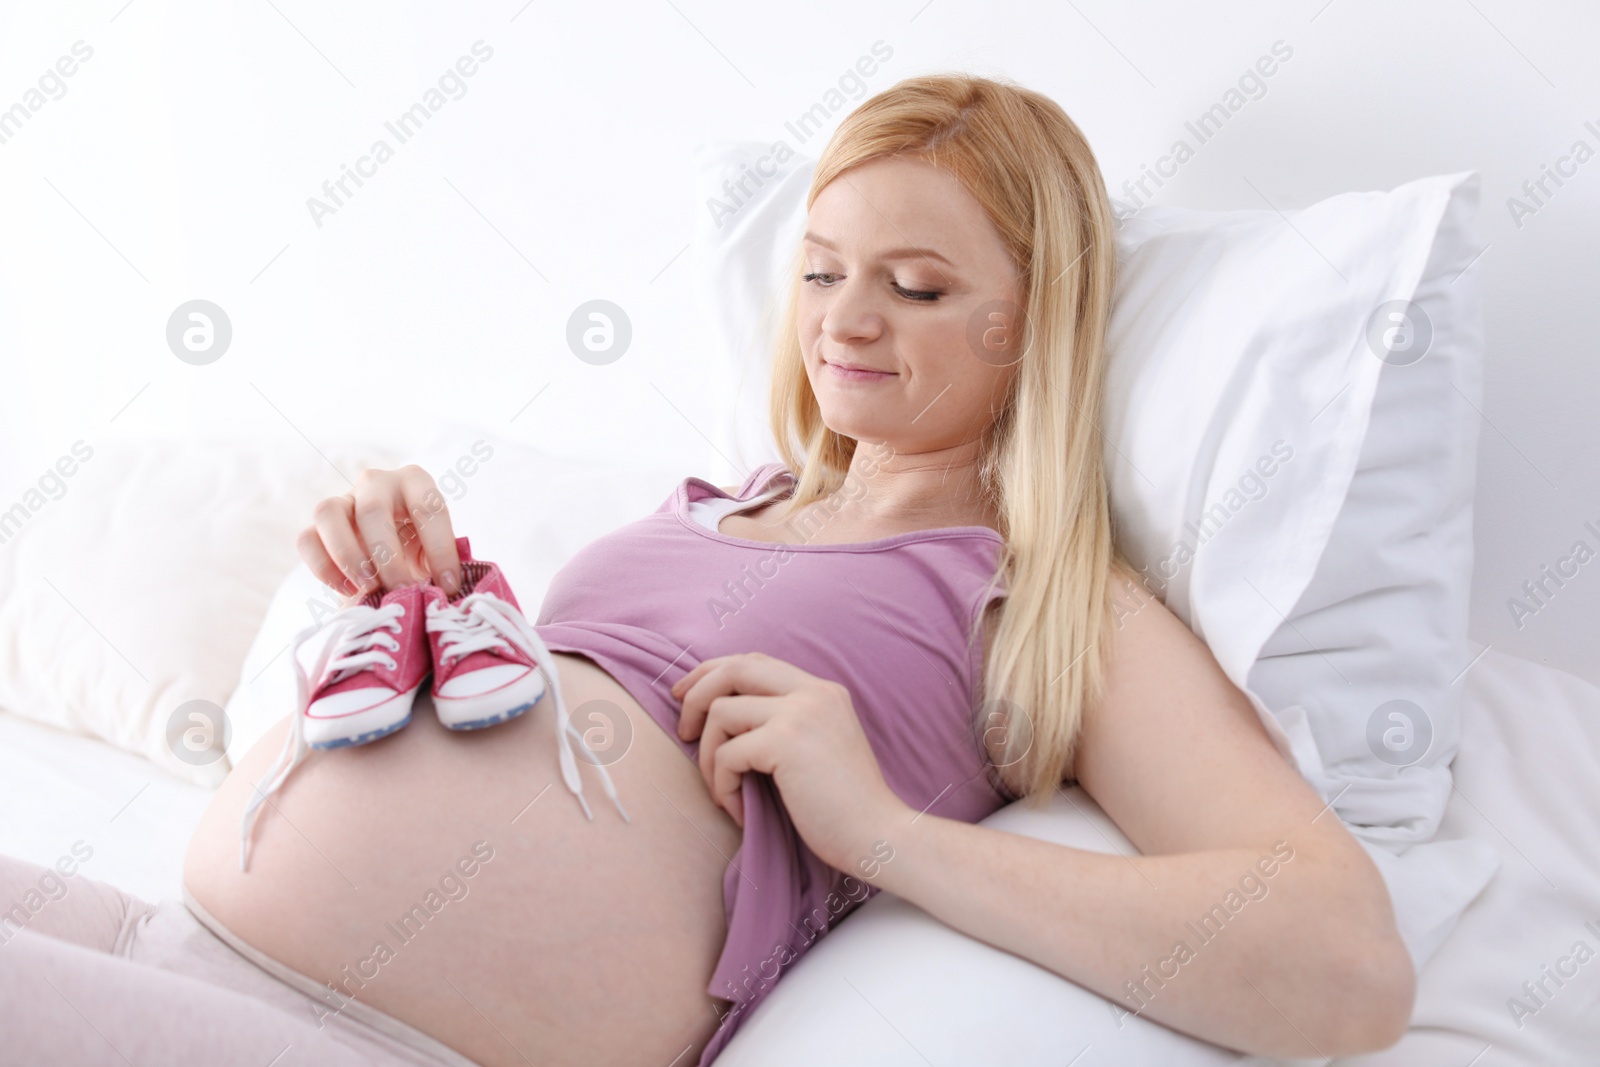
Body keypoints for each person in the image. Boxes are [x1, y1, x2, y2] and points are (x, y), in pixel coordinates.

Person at [0, 72, 1413, 1066]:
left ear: (1027, 327)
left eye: (916, 286)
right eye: (817, 270)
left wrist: (891, 839)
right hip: (177, 937)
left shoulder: (1048, 607)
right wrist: (408, 594)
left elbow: (1345, 965)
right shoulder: (704, 508)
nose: (843, 320)